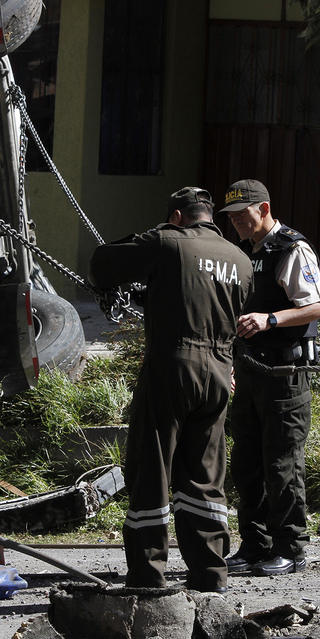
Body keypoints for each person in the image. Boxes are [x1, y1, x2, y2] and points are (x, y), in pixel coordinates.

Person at [89, 187, 254, 593]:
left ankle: (148, 578)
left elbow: (101, 265)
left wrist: (158, 234)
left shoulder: (166, 241)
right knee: (204, 476)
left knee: (152, 469)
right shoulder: (241, 260)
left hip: (172, 367)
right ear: (212, 217)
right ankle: (211, 577)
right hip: (218, 371)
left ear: (178, 216)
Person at [220, 179, 320, 576]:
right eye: (229, 218)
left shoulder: (292, 248)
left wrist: (271, 319)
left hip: (284, 374)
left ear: (263, 210)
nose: (235, 223)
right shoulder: (245, 254)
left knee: (282, 464)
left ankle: (290, 548)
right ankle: (254, 545)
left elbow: (318, 306)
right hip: (249, 372)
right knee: (246, 463)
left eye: (241, 215)